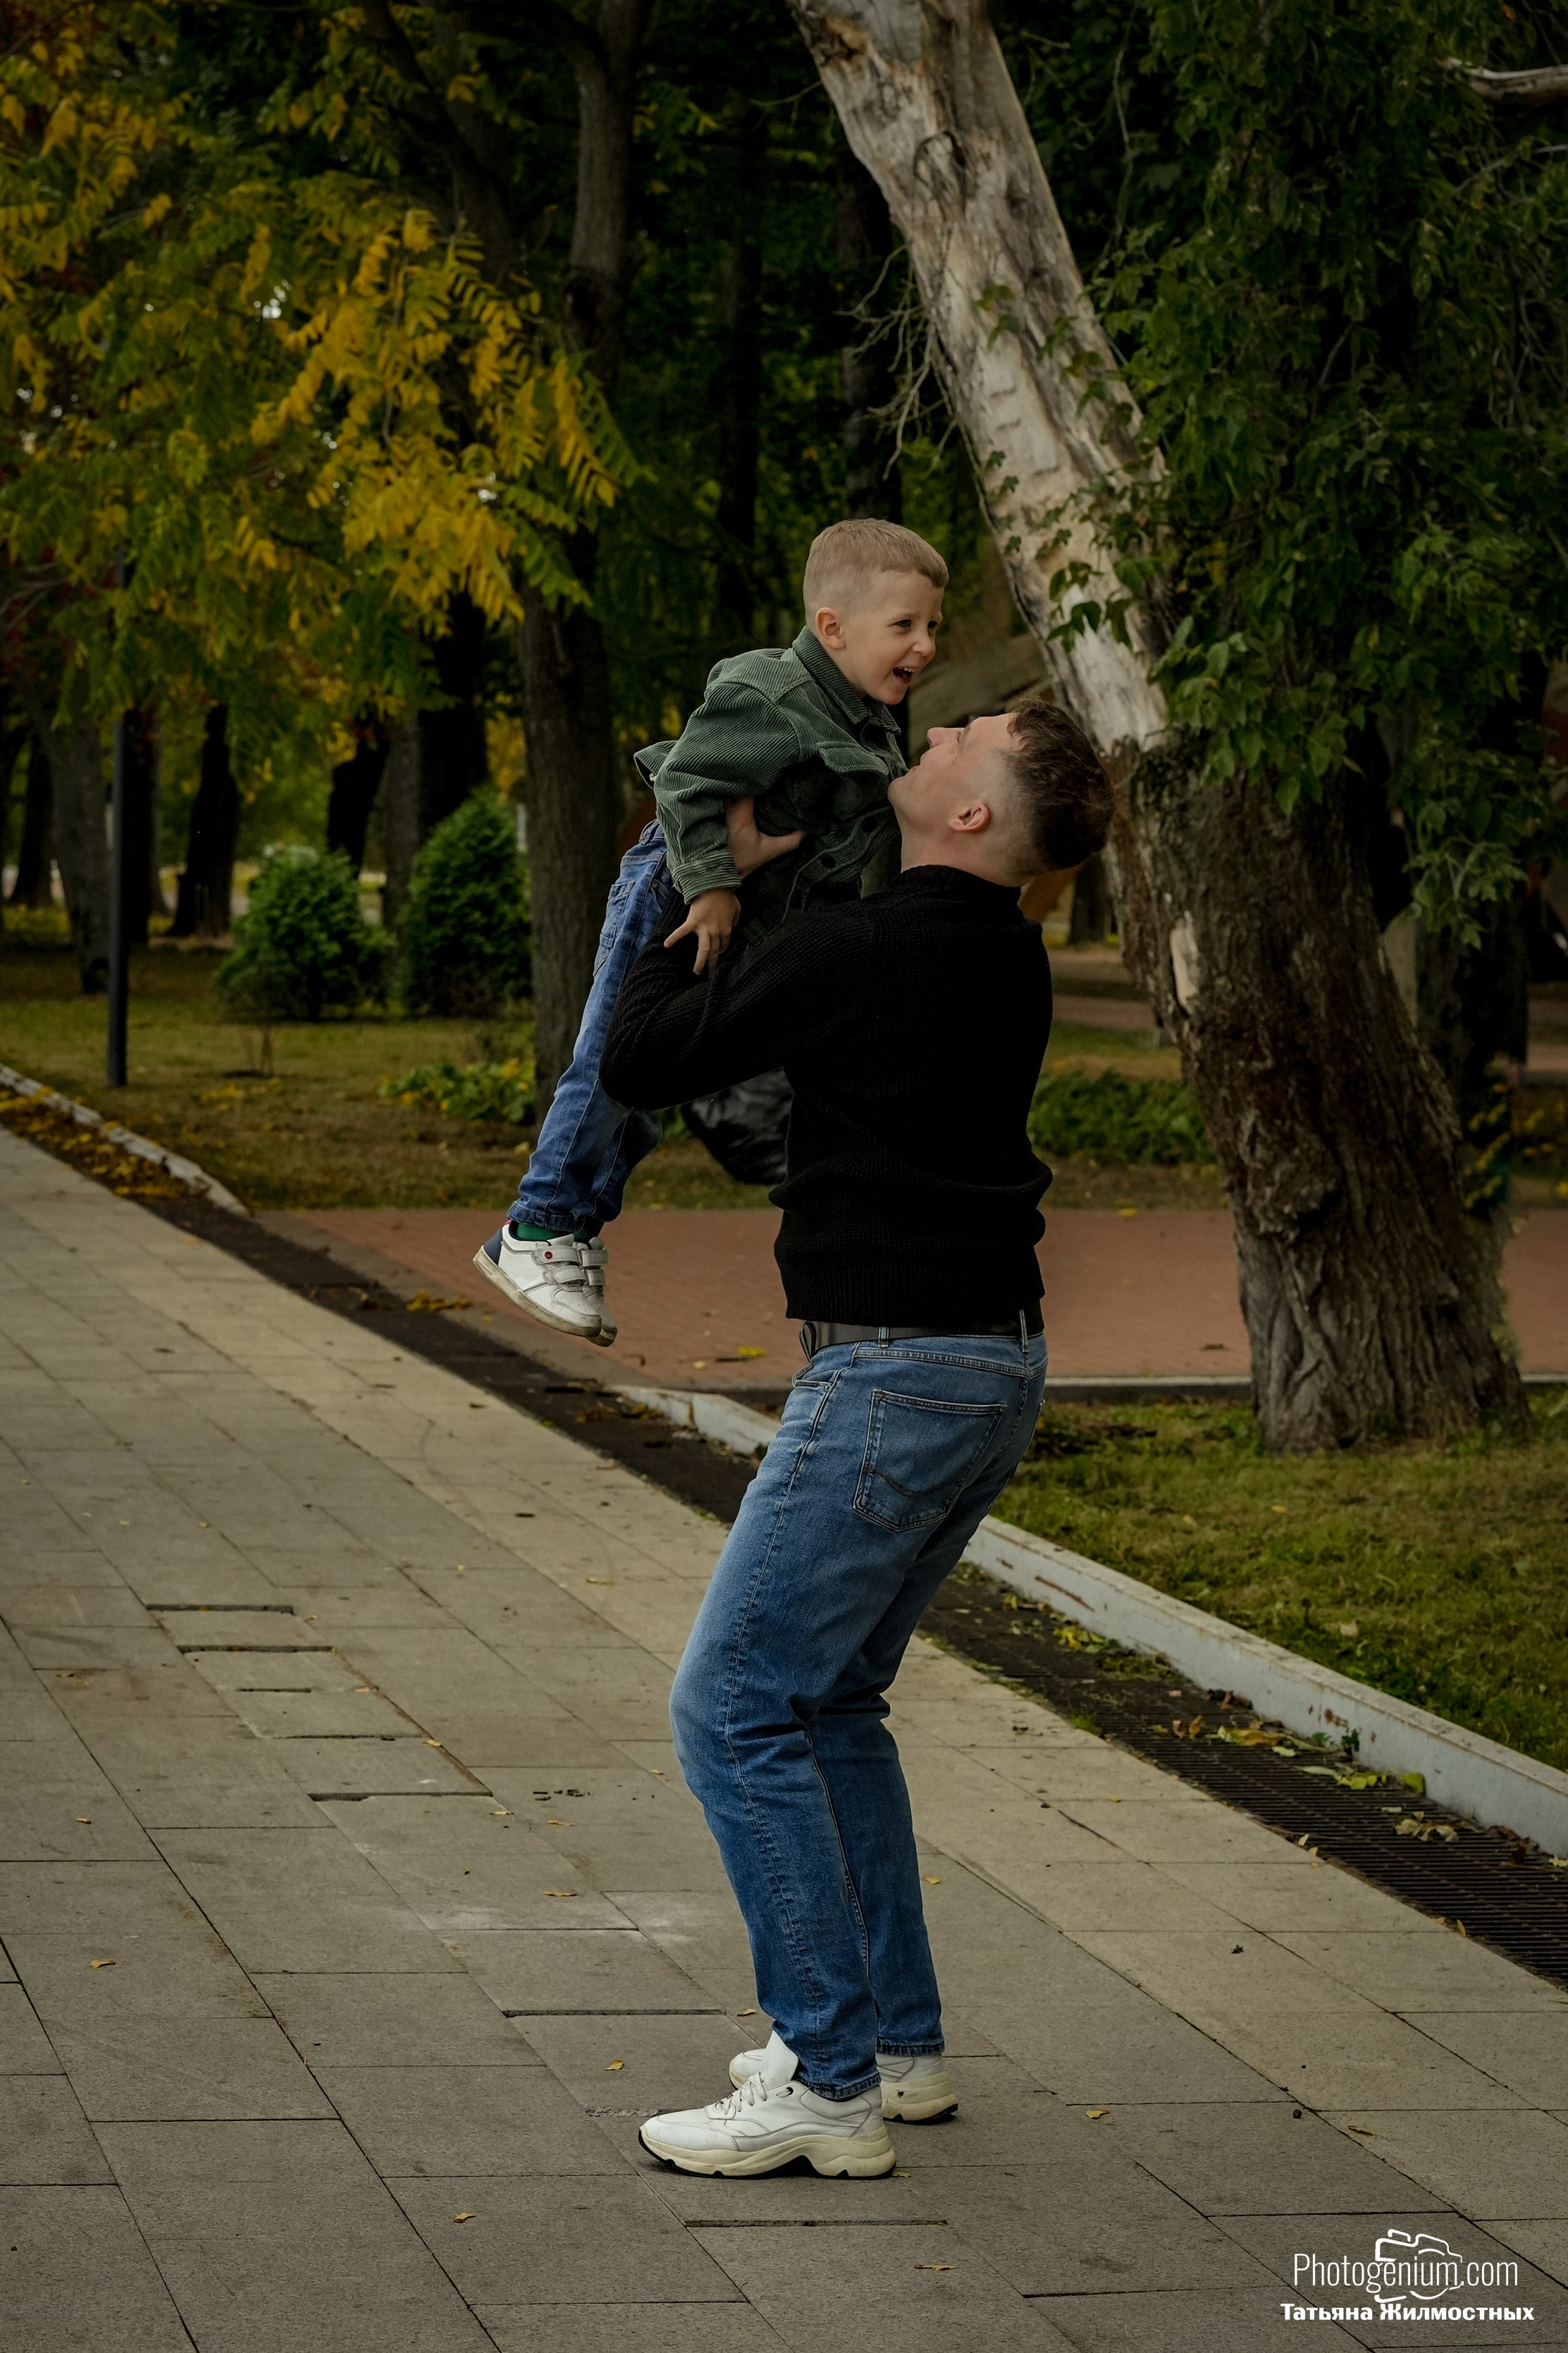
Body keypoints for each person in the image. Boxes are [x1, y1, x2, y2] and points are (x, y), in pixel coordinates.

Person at [599, 696, 1113, 2179]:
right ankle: (891, 2043)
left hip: (894, 1376)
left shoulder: (865, 950)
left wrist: (692, 867)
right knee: (828, 1702)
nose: (931, 726)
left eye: (964, 735)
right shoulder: (999, 951)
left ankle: (826, 2079)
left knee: (730, 1707)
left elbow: (641, 1052)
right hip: (986, 1364)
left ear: (971, 814)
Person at [473, 517, 949, 1346]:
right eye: (904, 624)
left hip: (742, 917)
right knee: (611, 1059)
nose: (926, 644)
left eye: (933, 625)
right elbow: (688, 782)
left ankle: (575, 1228)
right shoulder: (772, 693)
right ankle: (538, 1224)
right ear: (832, 627)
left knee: (651, 1083)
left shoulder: (864, 717)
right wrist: (714, 885)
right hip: (678, 889)